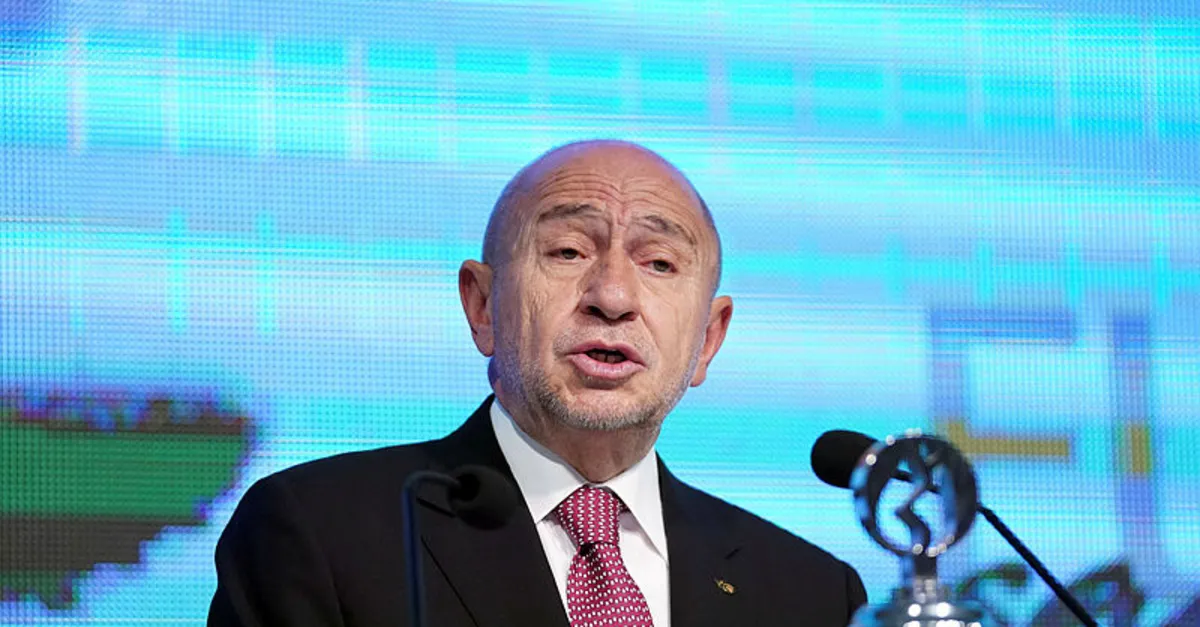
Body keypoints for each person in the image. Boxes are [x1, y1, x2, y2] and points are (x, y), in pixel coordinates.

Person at [207, 140, 867, 627]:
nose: (612, 296)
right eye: (568, 251)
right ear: (482, 306)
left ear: (708, 340)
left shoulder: (812, 594)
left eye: (660, 263)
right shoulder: (319, 533)